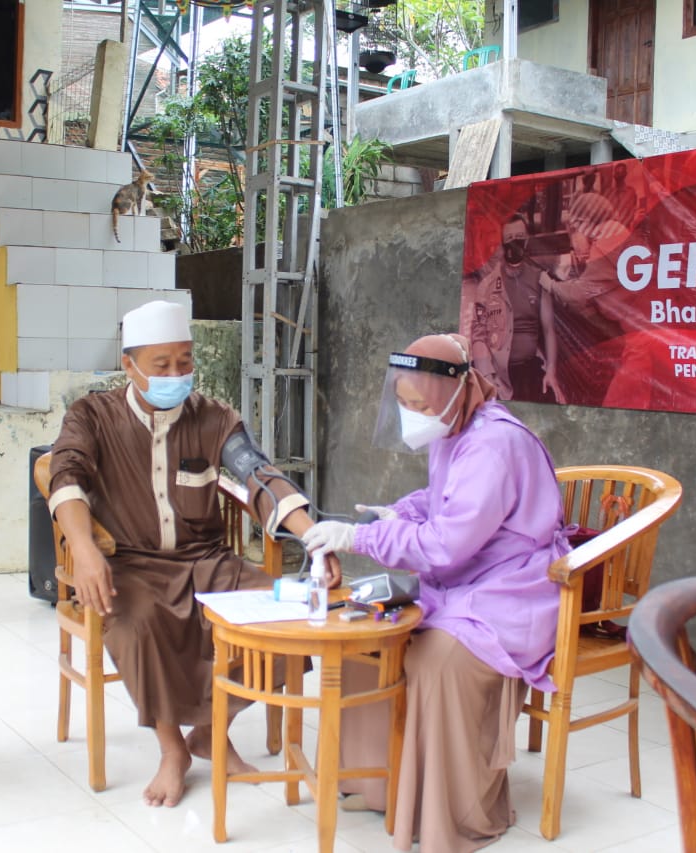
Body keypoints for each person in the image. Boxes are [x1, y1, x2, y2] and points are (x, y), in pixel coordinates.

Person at [46, 299, 341, 809]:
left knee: (290, 614)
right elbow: (64, 475)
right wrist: (85, 549)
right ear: (130, 366)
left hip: (206, 560)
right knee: (136, 624)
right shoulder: (92, 415)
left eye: (184, 361)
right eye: (161, 365)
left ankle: (209, 730)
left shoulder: (213, 417)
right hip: (130, 563)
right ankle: (173, 752)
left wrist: (314, 538)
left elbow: (258, 474)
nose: (175, 374)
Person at [301, 333, 567, 853]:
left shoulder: (494, 444)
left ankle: (459, 813)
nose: (410, 415)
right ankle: (380, 784)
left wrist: (362, 537)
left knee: (435, 662)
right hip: (467, 582)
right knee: (365, 639)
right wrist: (398, 511)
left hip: (510, 593)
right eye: (402, 403)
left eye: (418, 404)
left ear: (454, 391)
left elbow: (447, 545)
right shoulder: (455, 426)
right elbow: (444, 498)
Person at [497, 214, 564, 402]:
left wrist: (551, 371)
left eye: (519, 237)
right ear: (502, 243)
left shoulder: (538, 278)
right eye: (509, 239)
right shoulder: (491, 280)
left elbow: (549, 330)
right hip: (498, 371)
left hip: (528, 370)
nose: (515, 243)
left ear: (527, 239)